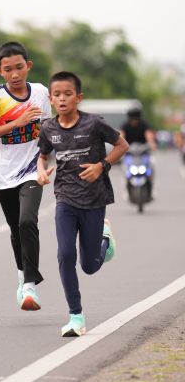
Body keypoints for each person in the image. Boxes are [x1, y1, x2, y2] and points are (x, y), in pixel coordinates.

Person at [37, 71, 128, 337]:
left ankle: (104, 239)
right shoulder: (48, 128)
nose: (62, 99)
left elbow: (122, 145)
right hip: (65, 198)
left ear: (78, 97)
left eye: (68, 94)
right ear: (51, 99)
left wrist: (102, 166)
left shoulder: (94, 123)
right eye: (57, 95)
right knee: (65, 254)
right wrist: (41, 171)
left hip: (94, 199)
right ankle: (75, 316)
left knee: (89, 266)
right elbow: (42, 156)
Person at [0, 41, 51, 311]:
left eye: (19, 67)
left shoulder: (40, 93)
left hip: (31, 169)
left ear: (28, 66)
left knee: (27, 221)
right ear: (0, 71)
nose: (15, 74)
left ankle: (30, 285)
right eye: (8, 69)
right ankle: (22, 274)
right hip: (2, 172)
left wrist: (47, 160)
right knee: (15, 228)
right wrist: (16, 123)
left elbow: (48, 127)